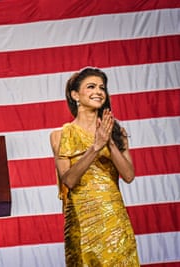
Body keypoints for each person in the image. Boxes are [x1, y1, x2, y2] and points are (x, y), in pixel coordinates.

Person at [49, 67, 140, 266]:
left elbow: (128, 175)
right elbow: (70, 180)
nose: (98, 91)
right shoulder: (61, 135)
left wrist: (109, 142)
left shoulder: (117, 131)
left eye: (102, 87)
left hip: (113, 219)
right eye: (91, 87)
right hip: (81, 221)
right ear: (75, 95)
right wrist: (96, 147)